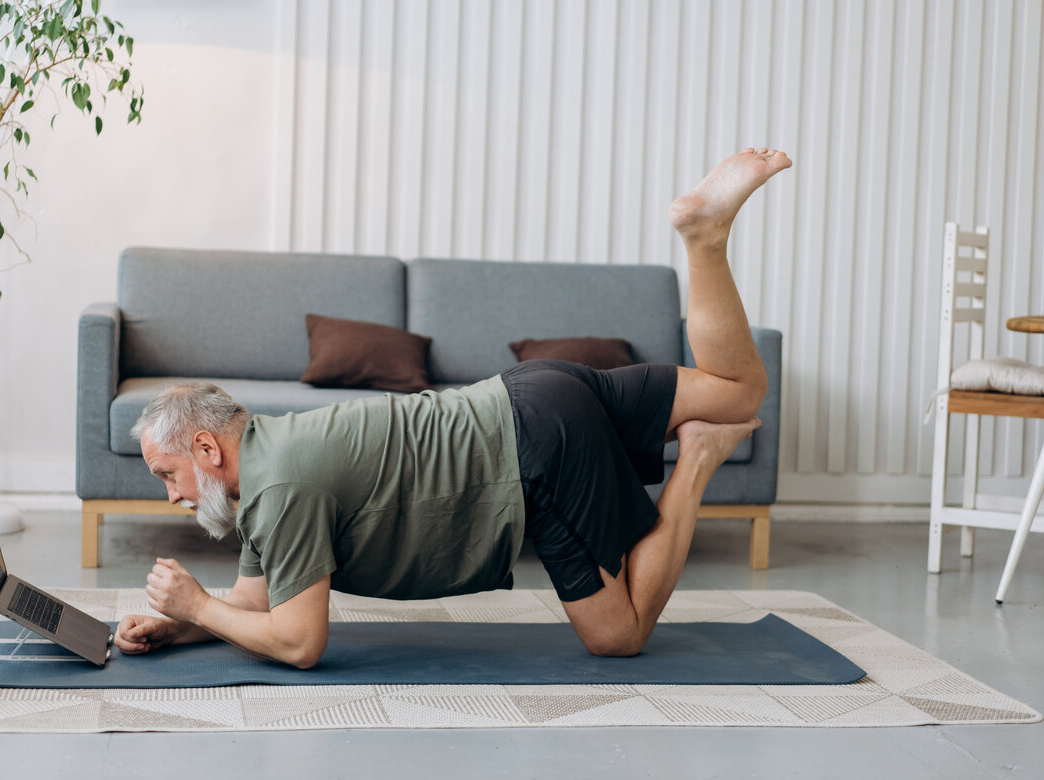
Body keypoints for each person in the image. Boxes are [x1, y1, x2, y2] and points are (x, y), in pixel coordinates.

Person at [114, 147, 793, 669]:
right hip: (532, 391)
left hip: (536, 458)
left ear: (207, 450)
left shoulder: (280, 489)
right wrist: (183, 626)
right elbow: (257, 605)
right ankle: (704, 238)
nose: (170, 494)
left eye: (165, 474)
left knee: (618, 635)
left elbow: (297, 641)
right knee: (740, 389)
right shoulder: (271, 460)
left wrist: (197, 603)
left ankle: (698, 457)